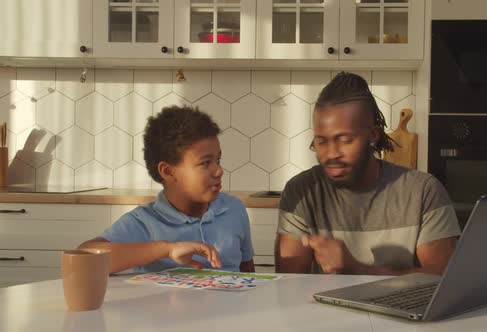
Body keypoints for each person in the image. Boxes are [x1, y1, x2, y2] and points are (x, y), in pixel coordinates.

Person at [275, 72, 461, 275]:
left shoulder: (423, 191)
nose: (331, 154)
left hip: (400, 307)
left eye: (345, 140)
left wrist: (355, 268)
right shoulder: (301, 192)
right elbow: (288, 284)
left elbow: (441, 280)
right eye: (321, 141)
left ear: (373, 135)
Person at [79, 106, 255, 274]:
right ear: (168, 171)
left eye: (218, 160)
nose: (219, 171)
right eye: (206, 163)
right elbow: (84, 257)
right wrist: (168, 249)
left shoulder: (234, 209)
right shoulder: (144, 222)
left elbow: (248, 272)